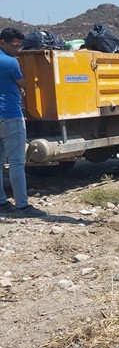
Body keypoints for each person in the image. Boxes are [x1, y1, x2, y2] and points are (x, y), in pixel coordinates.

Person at [0, 27, 46, 217]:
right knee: (17, 163)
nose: (18, 50)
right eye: (14, 46)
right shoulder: (10, 62)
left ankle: (2, 202)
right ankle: (22, 205)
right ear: (2, 43)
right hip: (11, 115)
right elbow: (22, 83)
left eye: (20, 46)